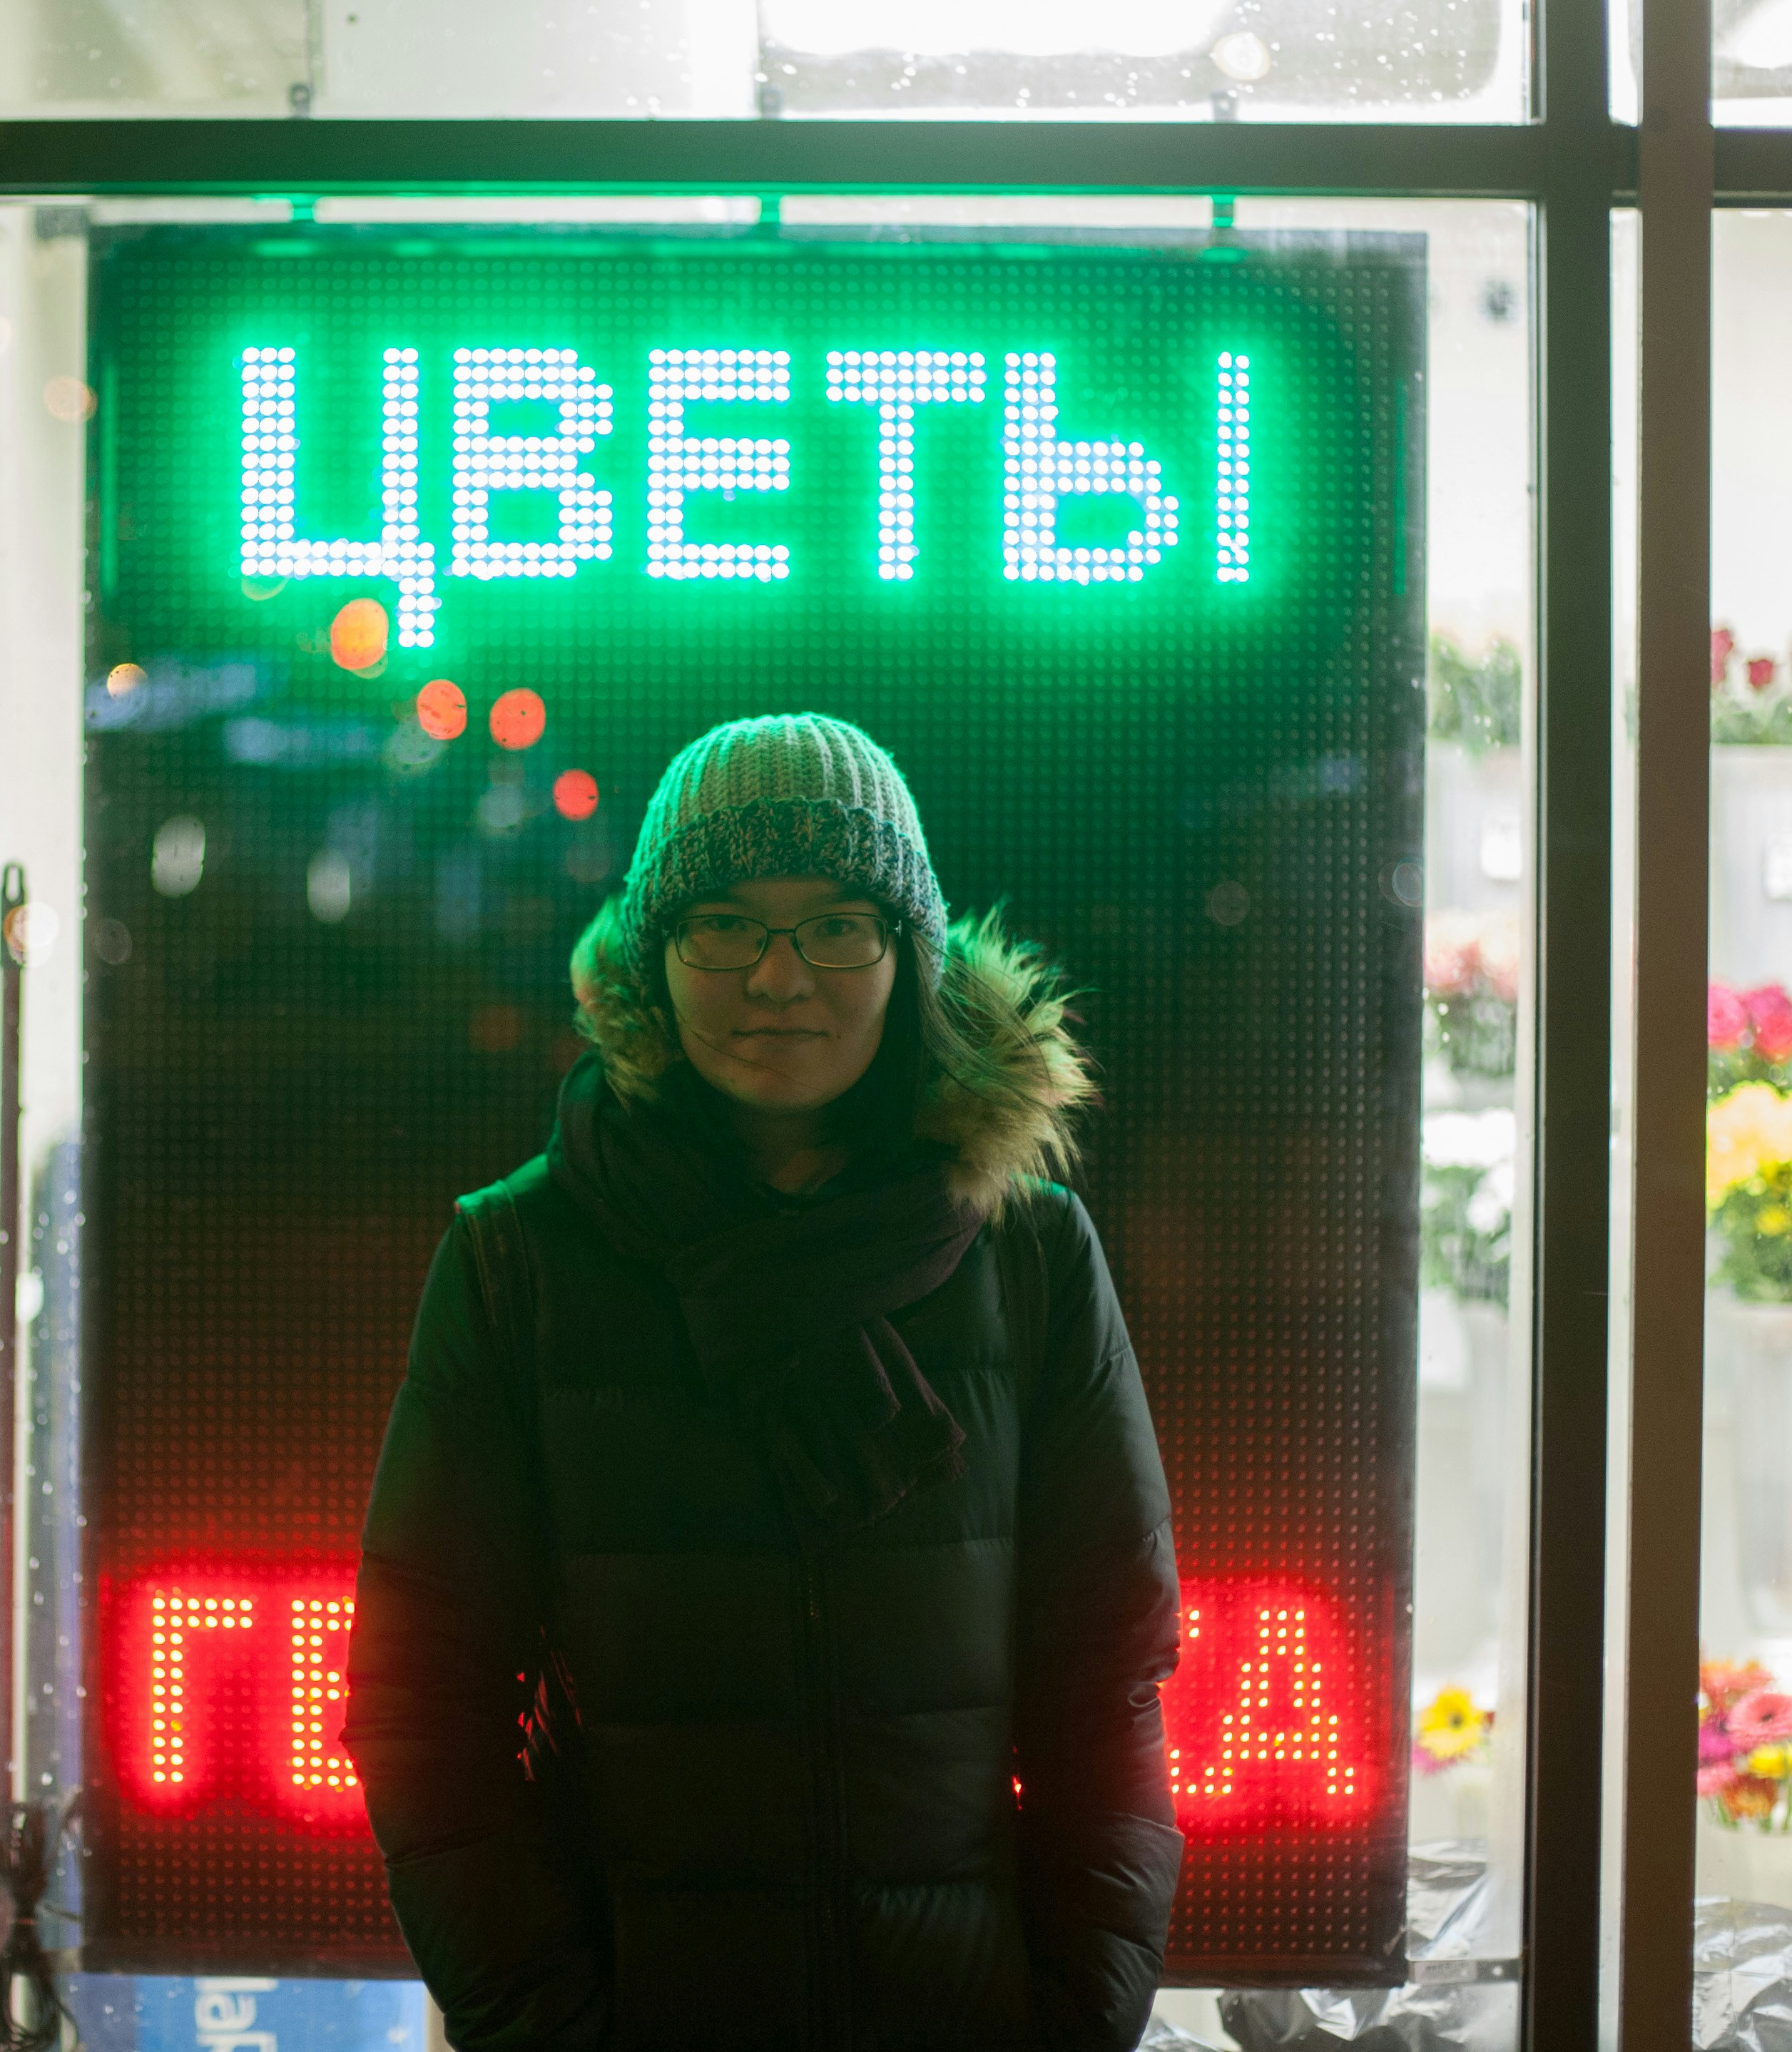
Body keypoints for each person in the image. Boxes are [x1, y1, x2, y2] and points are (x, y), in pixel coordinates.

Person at [344, 713, 1182, 2052]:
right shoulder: (521, 1261)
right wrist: (548, 2025)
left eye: (838, 922)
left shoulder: (1026, 1254)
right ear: (653, 955)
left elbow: (1106, 1688)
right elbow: (419, 1701)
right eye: (723, 923)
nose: (780, 977)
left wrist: (1076, 2023)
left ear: (912, 953)